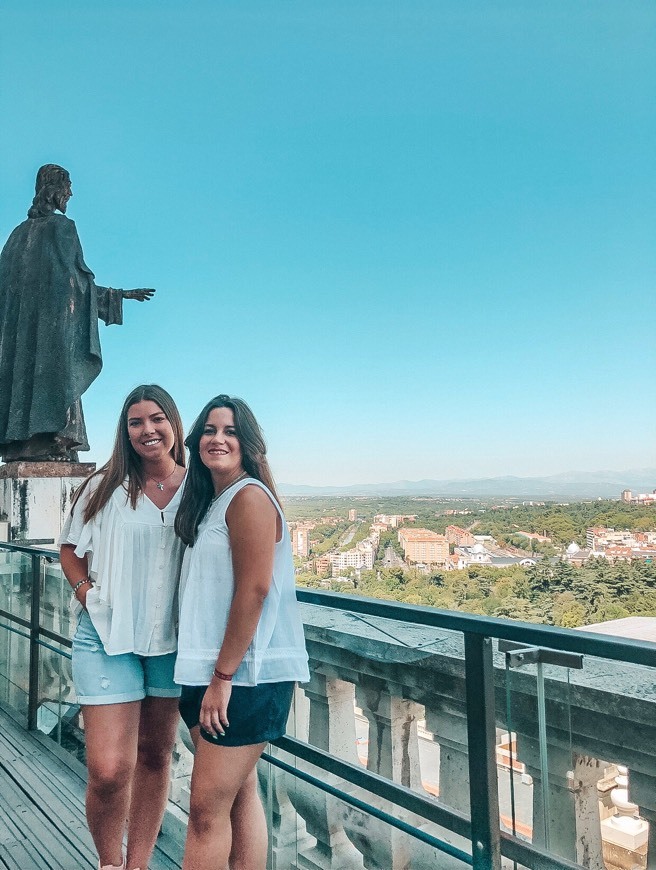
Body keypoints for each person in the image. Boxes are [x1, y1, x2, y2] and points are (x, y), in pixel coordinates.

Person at [174, 394, 309, 870]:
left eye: (230, 431)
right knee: (237, 796)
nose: (218, 439)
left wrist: (222, 678)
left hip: (242, 678)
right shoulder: (216, 501)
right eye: (210, 430)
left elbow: (253, 591)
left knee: (204, 814)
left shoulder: (249, 497)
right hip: (215, 672)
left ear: (248, 444)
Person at [59, 384, 186, 870]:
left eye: (157, 419)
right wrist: (86, 593)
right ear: (125, 431)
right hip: (107, 635)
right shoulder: (104, 485)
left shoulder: (198, 487)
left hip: (171, 641)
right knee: (110, 769)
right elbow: (69, 547)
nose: (147, 430)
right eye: (136, 422)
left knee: (156, 755)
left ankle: (138, 864)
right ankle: (109, 862)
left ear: (173, 424)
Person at [0, 164, 155, 462]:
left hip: (20, 345)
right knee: (60, 385)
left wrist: (119, 297)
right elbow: (77, 288)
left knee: (31, 385)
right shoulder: (62, 228)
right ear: (53, 189)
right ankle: (50, 438)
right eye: (67, 186)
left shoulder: (16, 237)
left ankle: (23, 441)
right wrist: (119, 296)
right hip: (53, 341)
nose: (70, 193)